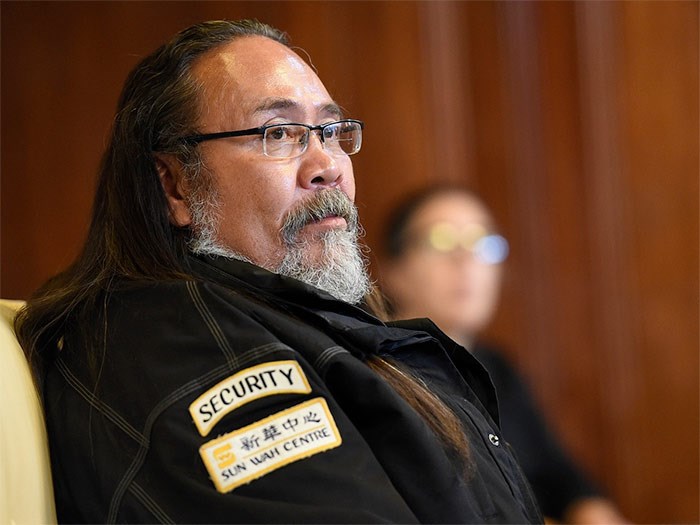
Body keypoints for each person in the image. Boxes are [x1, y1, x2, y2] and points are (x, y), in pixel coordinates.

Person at [15, 20, 543, 524]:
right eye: (279, 133)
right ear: (176, 185)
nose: (327, 165)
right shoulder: (182, 341)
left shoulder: (287, 314)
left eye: (331, 131)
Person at [380, 185, 629, 524]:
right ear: (395, 271)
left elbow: (558, 474)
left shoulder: (495, 365)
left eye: (482, 244)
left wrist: (592, 510)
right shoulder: (378, 373)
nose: (465, 260)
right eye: (440, 241)